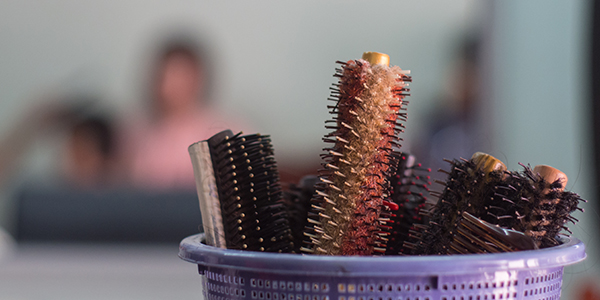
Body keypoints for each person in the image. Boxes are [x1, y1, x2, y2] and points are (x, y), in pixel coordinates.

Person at [121, 38, 246, 190]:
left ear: (198, 78)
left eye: (178, 75)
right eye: (164, 75)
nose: (168, 85)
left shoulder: (225, 131)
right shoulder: (136, 134)